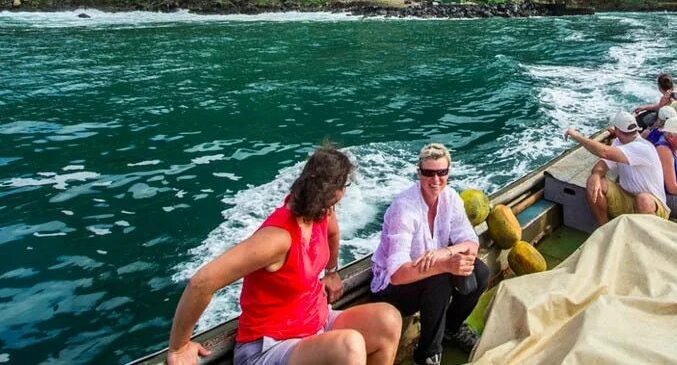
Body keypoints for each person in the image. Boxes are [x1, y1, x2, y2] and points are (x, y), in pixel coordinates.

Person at [165, 145, 401, 365]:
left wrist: (331, 271)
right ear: (334, 192)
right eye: (343, 187)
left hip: (315, 322)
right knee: (350, 346)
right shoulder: (277, 238)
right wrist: (179, 346)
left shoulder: (322, 212)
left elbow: (333, 233)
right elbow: (202, 282)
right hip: (268, 345)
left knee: (387, 319)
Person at [370, 144, 488, 365]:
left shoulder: (450, 197)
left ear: (448, 173)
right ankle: (426, 355)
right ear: (419, 173)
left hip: (429, 272)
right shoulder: (404, 208)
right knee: (440, 280)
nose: (435, 180)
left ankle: (451, 329)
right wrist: (444, 265)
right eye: (428, 173)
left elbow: (471, 242)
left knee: (480, 272)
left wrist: (447, 252)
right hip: (392, 288)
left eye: (441, 172)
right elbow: (396, 274)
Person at [565, 111, 669, 225]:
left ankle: (645, 238)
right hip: (628, 199)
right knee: (594, 182)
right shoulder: (619, 142)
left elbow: (605, 152)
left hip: (653, 206)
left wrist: (577, 136)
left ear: (617, 130)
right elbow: (602, 165)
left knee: (643, 199)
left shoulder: (643, 147)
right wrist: (595, 175)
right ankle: (604, 229)